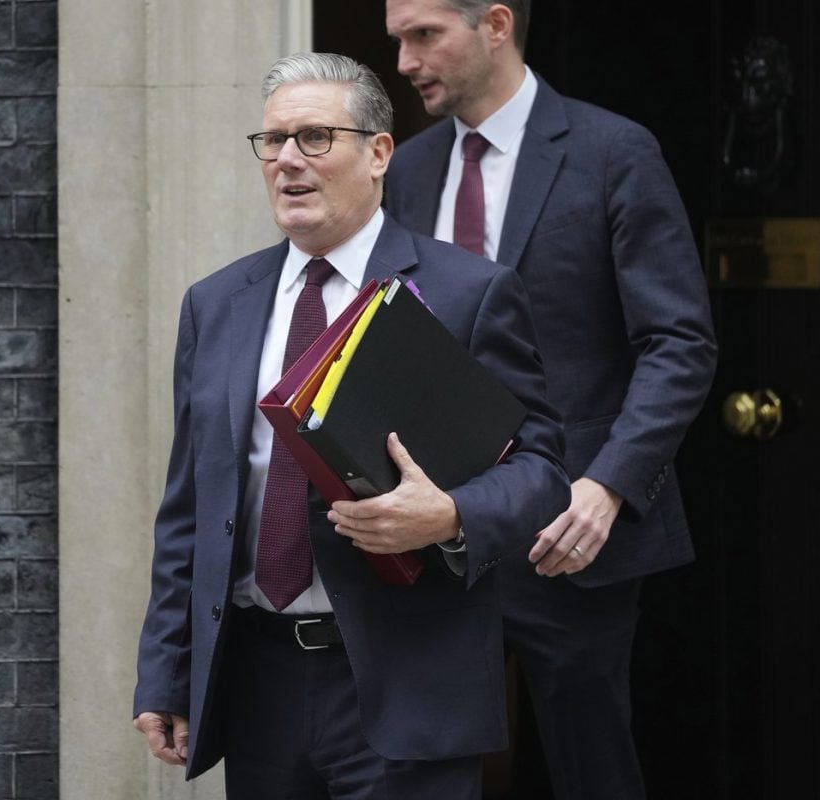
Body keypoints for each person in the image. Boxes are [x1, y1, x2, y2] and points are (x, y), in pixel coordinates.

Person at [132, 51, 570, 799]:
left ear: (378, 153)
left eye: (314, 138)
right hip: (257, 681)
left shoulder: (468, 293)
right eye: (273, 140)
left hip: (407, 681)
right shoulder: (216, 303)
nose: (287, 160)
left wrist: (450, 515)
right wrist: (168, 672)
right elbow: (190, 507)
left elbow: (542, 470)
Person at [383, 2, 719, 798]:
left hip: (570, 534)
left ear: (496, 25)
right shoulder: (406, 170)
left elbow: (679, 342)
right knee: (419, 774)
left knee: (589, 771)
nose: (404, 62)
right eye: (397, 39)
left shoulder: (613, 152)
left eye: (424, 34)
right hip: (435, 534)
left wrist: (609, 486)